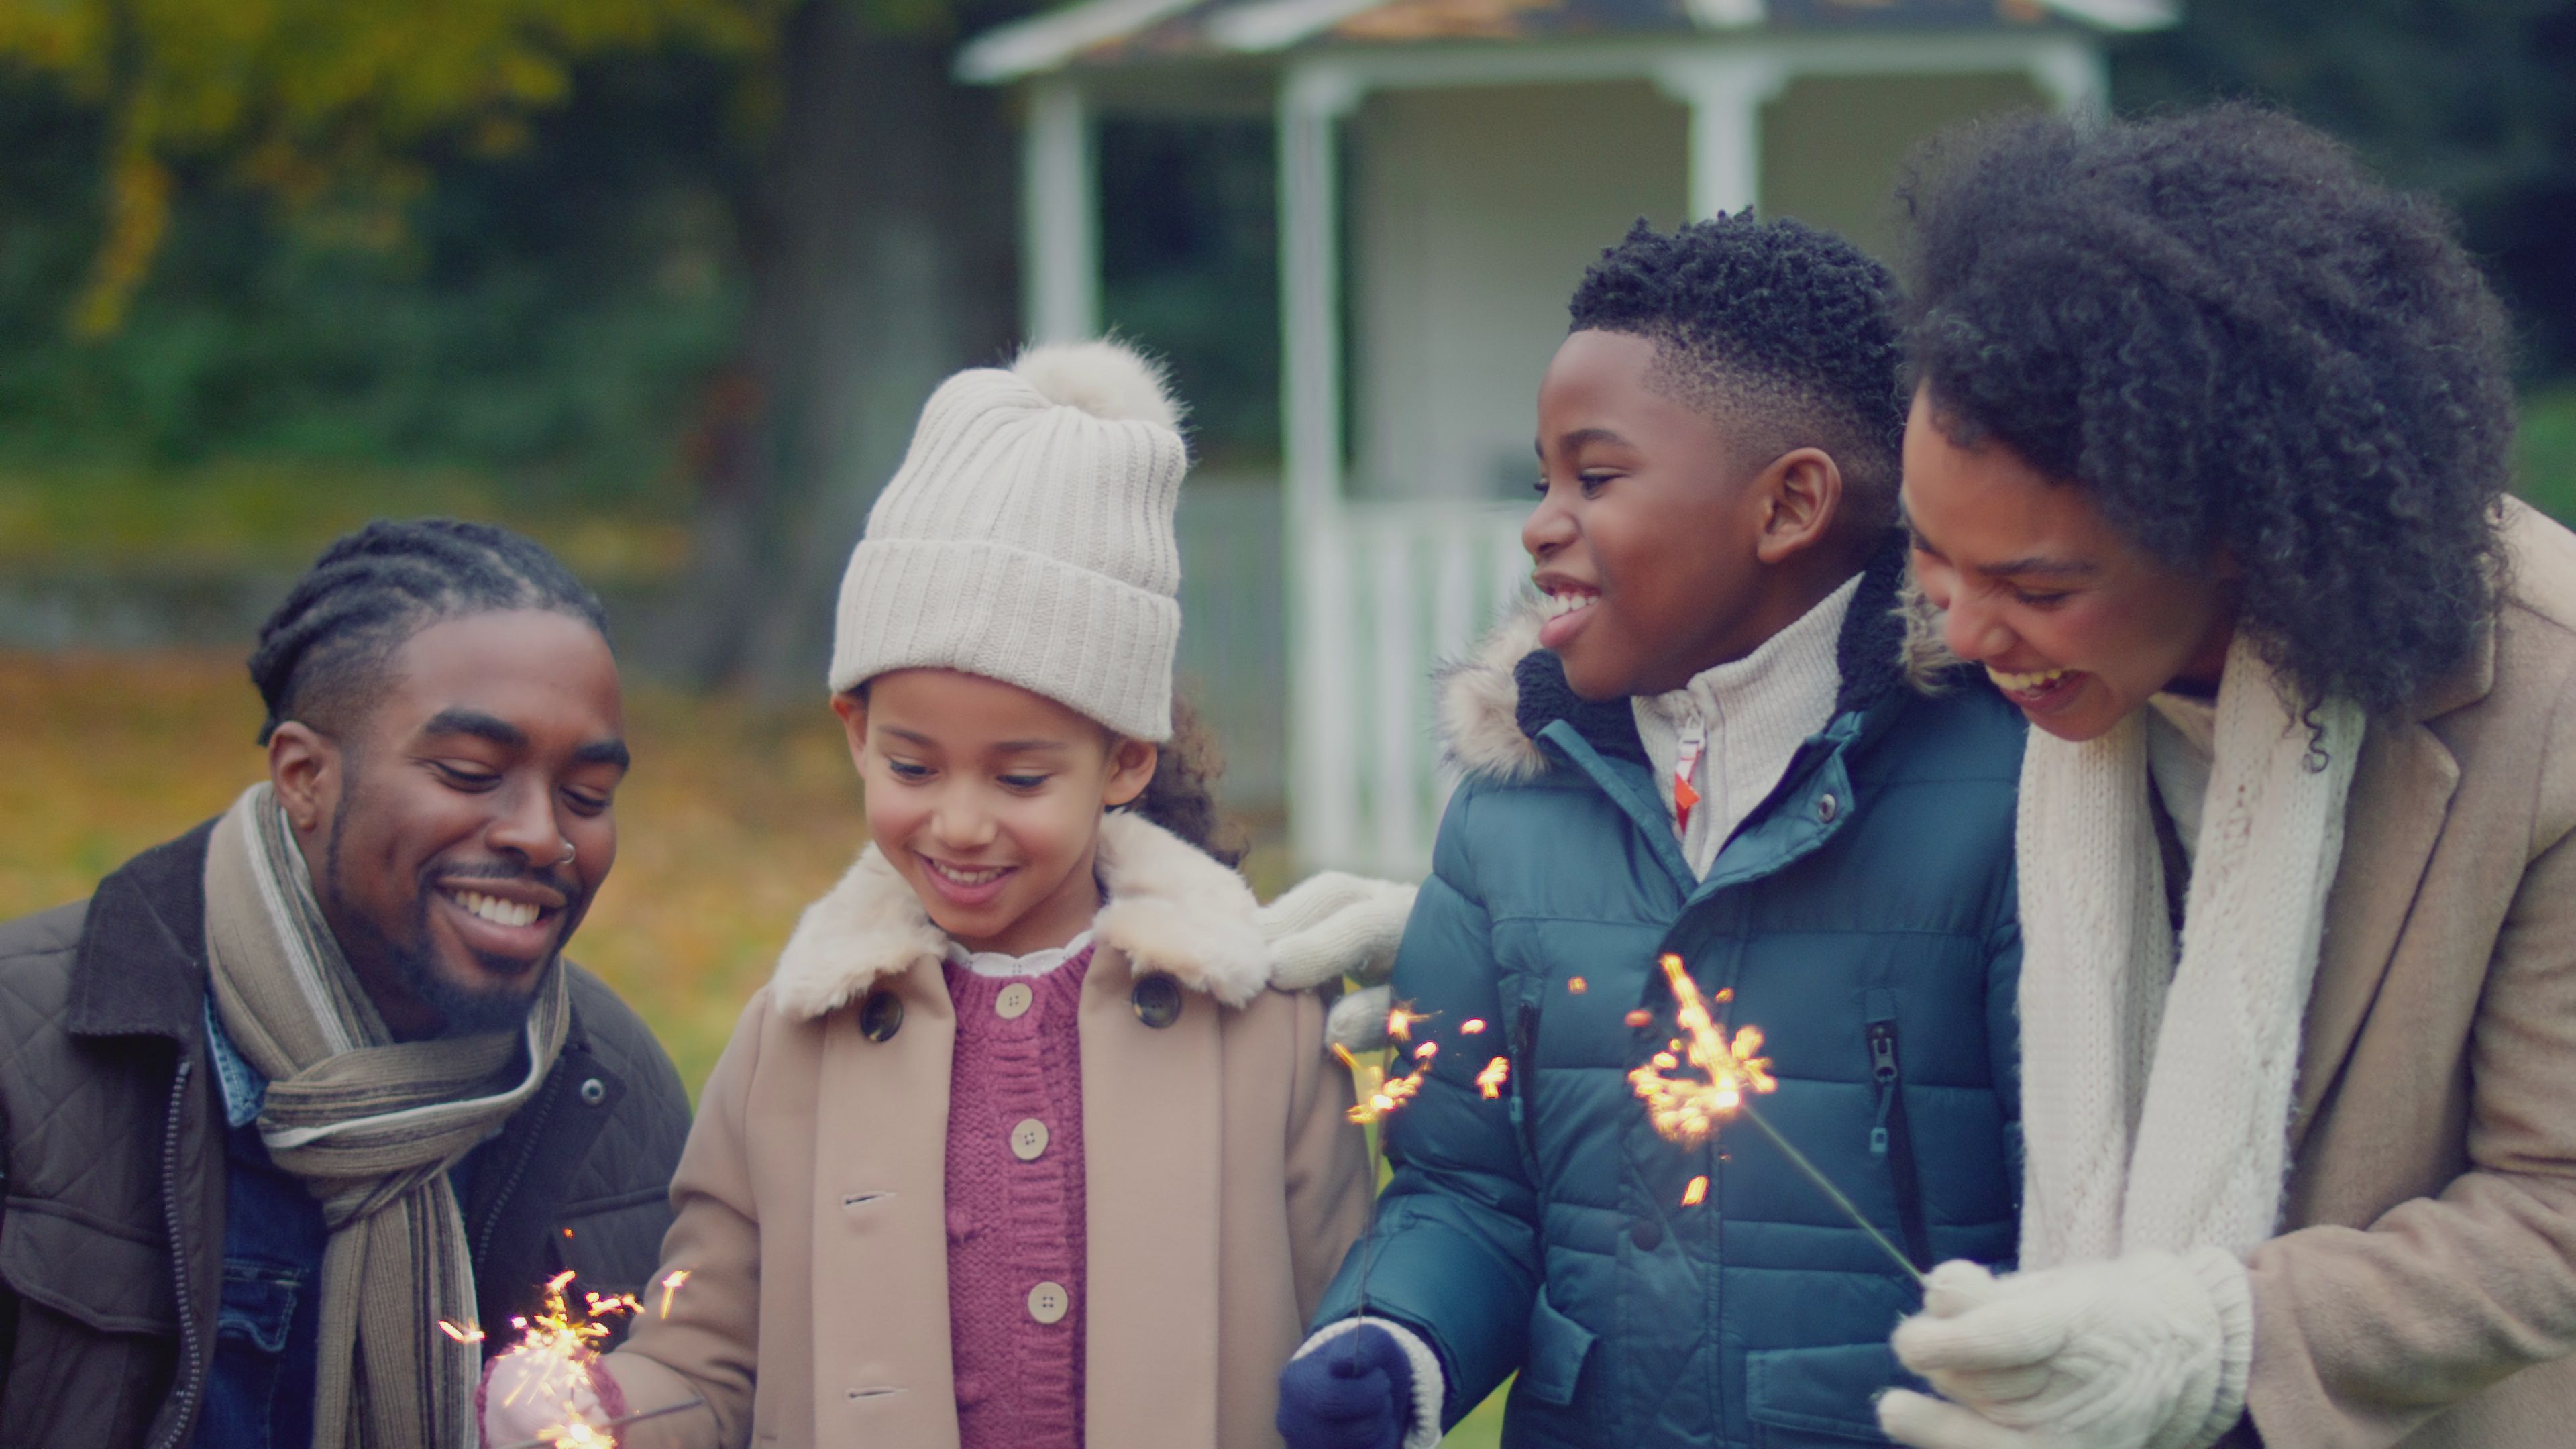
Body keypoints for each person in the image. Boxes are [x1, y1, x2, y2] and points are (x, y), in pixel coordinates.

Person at [482, 339, 1379, 1449]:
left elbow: (1352, 1319)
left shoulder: (1261, 1028)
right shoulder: (793, 1043)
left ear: (1127, 763)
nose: (959, 822)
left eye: (1020, 777)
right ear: (855, 734)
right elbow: (709, 1351)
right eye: (913, 767)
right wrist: (601, 1411)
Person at [1878, 104, 2576, 1449]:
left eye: (2036, 586)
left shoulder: (2549, 703)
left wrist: (2218, 1347)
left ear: (2242, 535)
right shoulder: (1965, 618)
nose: (1959, 632)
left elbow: (2557, 1204)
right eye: (1931, 554)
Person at [1274, 215, 2030, 1449]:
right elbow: (1467, 1187)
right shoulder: (1508, 811)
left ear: (1787, 505)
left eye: (1597, 477)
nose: (1541, 523)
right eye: (1541, 482)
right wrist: (1398, 1336)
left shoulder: (2002, 792)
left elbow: (2075, 1205)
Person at [0, 519, 693, 1449]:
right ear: (304, 777)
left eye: (588, 795)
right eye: (471, 773)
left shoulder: (609, 1083)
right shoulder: (34, 1054)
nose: (542, 835)